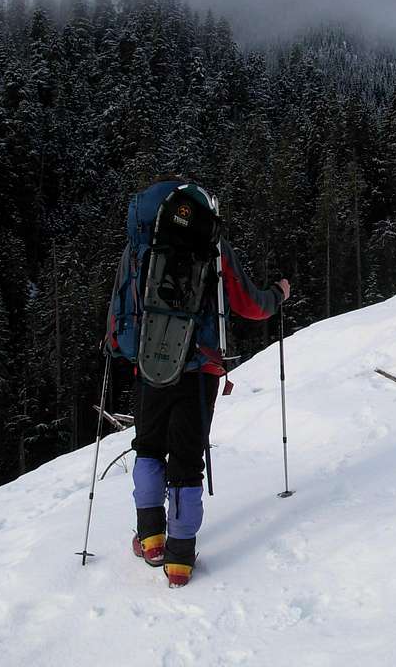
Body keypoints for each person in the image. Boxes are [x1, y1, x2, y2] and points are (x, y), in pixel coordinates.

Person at [129, 178, 290, 587]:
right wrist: (279, 294)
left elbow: (122, 309)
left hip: (150, 365)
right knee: (186, 458)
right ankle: (180, 560)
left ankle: (150, 539)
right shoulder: (212, 247)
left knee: (148, 445)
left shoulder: (140, 246)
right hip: (199, 369)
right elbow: (249, 304)